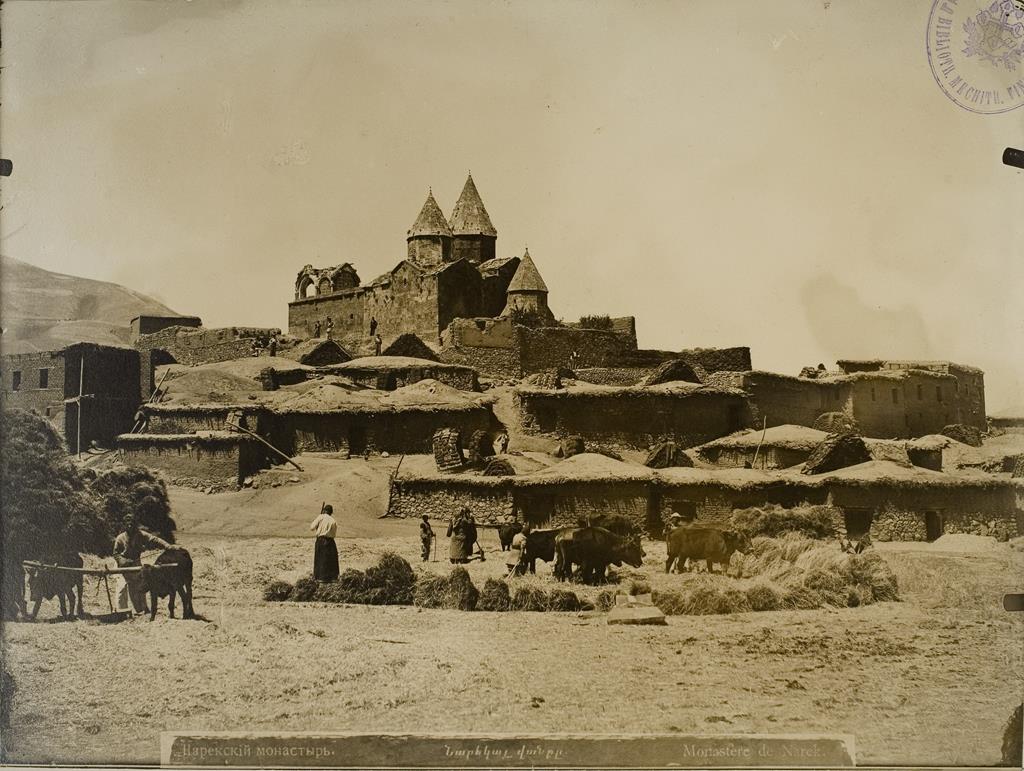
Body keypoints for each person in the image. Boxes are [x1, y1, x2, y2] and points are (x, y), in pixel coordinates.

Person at [113, 517, 172, 614]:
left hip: (135, 562)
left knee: (139, 586)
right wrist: (123, 561)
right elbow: (115, 554)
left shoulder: (141, 535)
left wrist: (167, 546)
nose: (130, 526)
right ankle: (121, 612)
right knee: (122, 587)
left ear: (135, 524)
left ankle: (141, 610)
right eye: (128, 524)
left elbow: (154, 539)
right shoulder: (120, 538)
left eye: (132, 524)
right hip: (121, 565)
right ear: (125, 525)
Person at [309, 504, 340, 582]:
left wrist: (319, 523)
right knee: (330, 559)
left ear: (324, 511)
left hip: (321, 540)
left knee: (320, 558)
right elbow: (334, 533)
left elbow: (312, 527)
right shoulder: (333, 520)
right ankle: (332, 578)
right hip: (331, 541)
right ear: (331, 512)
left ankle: (320, 577)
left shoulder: (320, 517)